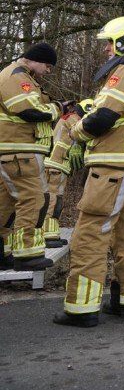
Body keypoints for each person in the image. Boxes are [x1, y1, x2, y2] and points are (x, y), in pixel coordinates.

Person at [54, 17, 124, 327]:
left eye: (111, 42)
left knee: (91, 231)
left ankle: (81, 309)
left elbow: (102, 116)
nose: (106, 48)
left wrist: (76, 134)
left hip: (114, 164)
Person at [0, 42, 64, 270]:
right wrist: (58, 108)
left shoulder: (18, 76)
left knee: (5, 204)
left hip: (11, 150)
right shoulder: (16, 76)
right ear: (34, 59)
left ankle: (3, 251)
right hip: (20, 150)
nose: (48, 70)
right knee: (35, 199)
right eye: (47, 65)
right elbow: (30, 111)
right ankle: (28, 254)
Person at [42, 99, 94, 247]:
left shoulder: (69, 118)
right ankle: (48, 236)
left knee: (54, 198)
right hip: (56, 164)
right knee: (53, 199)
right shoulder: (74, 120)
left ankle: (51, 233)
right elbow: (84, 133)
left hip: (56, 164)